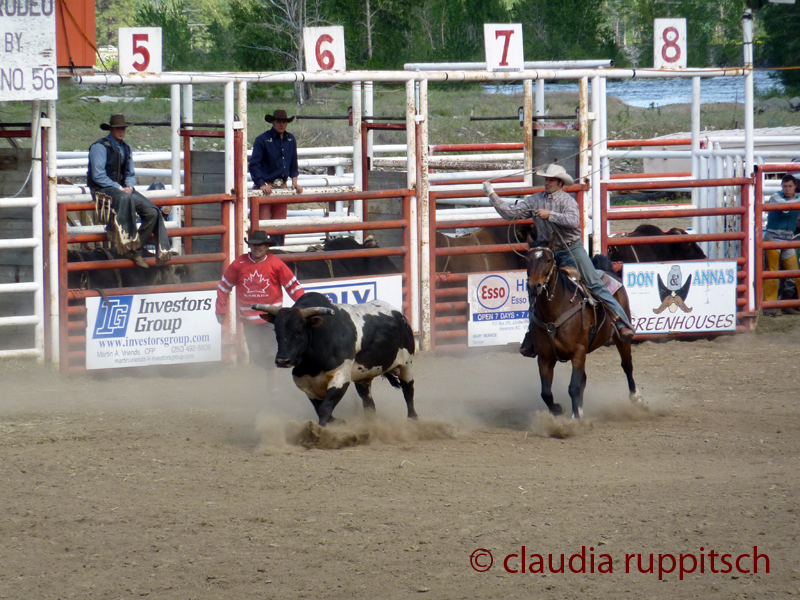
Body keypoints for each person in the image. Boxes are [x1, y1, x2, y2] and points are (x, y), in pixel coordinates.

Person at [483, 164, 635, 358]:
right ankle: (533, 334)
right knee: (534, 289)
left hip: (572, 249)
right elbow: (511, 214)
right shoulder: (535, 200)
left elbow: (574, 221)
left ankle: (621, 322)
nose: (547, 182)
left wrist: (550, 215)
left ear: (560, 183)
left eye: (551, 180)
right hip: (548, 252)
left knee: (594, 284)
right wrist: (492, 195)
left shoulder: (567, 202)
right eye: (546, 179)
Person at [87, 114, 171, 268]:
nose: (121, 131)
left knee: (153, 211)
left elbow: (130, 173)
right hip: (102, 189)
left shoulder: (126, 148)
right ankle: (129, 245)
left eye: (123, 128)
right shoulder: (99, 147)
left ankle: (136, 249)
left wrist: (130, 186)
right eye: (118, 128)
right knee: (125, 199)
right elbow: (98, 175)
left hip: (121, 189)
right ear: (111, 129)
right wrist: (120, 188)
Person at [215, 230, 305, 367]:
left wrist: (304, 304)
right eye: (254, 244)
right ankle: (263, 381)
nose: (257, 247)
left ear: (266, 247)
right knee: (256, 355)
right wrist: (221, 309)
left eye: (261, 244)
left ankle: (274, 386)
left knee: (273, 353)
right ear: (249, 246)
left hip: (272, 318)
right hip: (249, 320)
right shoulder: (239, 264)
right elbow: (224, 286)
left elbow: (293, 286)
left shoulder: (275, 264)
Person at [249, 109, 303, 245]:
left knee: (280, 223)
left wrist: (294, 182)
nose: (282, 124)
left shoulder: (290, 139)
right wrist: (261, 184)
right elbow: (254, 165)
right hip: (266, 187)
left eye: (284, 122)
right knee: (263, 222)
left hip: (282, 187)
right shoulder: (262, 139)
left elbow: (293, 162)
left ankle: (278, 249)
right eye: (279, 121)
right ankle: (261, 250)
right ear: (273, 122)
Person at [763, 174, 800, 315]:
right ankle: (770, 306)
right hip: (774, 238)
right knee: (772, 272)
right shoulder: (775, 197)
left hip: (788, 239)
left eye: (790, 186)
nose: (787, 189)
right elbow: (785, 208)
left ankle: (791, 303)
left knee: (795, 273)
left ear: (795, 186)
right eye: (785, 186)